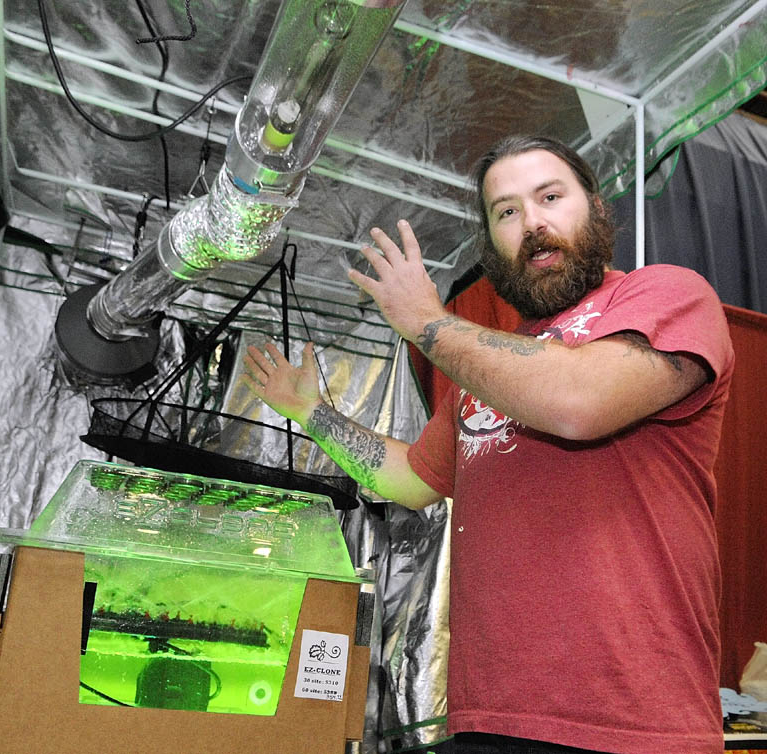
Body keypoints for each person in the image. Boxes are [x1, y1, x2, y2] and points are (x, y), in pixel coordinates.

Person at [243, 135, 734, 754]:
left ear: (597, 209)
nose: (532, 223)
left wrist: (426, 322)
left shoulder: (666, 294)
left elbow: (579, 403)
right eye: (506, 211)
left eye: (550, 196)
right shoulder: (486, 374)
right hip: (489, 722)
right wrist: (312, 414)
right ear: (492, 246)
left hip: (629, 726)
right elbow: (408, 480)